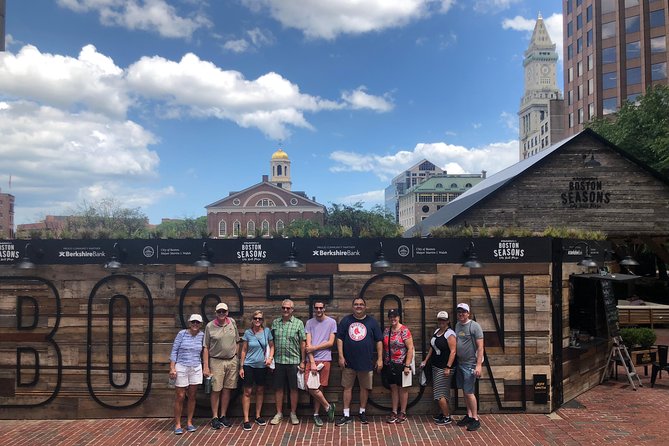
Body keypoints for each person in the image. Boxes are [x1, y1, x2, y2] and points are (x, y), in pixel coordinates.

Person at [335, 297, 383, 426]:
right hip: (348, 362)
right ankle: (346, 414)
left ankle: (362, 412)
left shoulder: (372, 322)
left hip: (366, 362)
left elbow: (379, 340)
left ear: (365, 307)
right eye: (356, 304)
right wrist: (340, 356)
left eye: (361, 304)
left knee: (365, 388)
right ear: (352, 307)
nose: (358, 306)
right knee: (347, 388)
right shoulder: (346, 321)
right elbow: (339, 339)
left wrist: (379, 358)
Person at [203, 302, 240, 430]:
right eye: (219, 312)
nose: (221, 314)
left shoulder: (232, 323)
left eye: (223, 311)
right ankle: (214, 417)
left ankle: (223, 415)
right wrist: (206, 366)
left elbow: (237, 341)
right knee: (216, 390)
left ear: (227, 312)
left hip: (231, 360)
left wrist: (236, 355)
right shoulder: (210, 326)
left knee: (227, 389)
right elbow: (206, 347)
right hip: (216, 361)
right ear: (216, 313)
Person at [270, 299, 306, 425]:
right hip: (279, 361)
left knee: (293, 388)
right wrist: (270, 359)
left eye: (288, 308)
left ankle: (293, 413)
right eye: (283, 308)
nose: (285, 310)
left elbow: (303, 343)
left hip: (293, 361)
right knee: (278, 388)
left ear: (292, 310)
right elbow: (271, 342)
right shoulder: (275, 323)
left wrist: (303, 361)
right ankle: (279, 413)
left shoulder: (298, 323)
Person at [169, 313, 205, 435]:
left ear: (200, 324)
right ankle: (178, 424)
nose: (195, 324)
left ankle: (189, 422)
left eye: (197, 322)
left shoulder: (202, 335)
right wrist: (172, 367)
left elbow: (205, 351)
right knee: (180, 396)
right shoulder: (182, 334)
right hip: (182, 366)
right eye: (193, 322)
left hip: (195, 367)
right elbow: (174, 350)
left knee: (192, 395)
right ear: (189, 323)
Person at [239, 310, 274, 431]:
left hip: (262, 366)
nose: (257, 320)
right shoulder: (248, 333)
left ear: (263, 320)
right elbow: (243, 350)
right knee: (247, 391)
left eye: (260, 318)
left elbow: (272, 346)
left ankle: (258, 415)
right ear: (252, 320)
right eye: (255, 318)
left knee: (260, 390)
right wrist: (241, 366)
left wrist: (270, 358)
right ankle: (246, 419)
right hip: (249, 365)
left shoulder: (267, 332)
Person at [420, 310, 457, 425]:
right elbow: (432, 347)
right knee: (442, 392)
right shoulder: (437, 331)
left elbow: (453, 351)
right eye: (440, 319)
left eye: (444, 320)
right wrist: (426, 360)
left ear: (448, 321)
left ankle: (447, 417)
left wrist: (448, 367)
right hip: (436, 366)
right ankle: (443, 413)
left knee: (439, 393)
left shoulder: (449, 334)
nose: (441, 322)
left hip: (444, 368)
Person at [305, 300, 337, 427]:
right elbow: (308, 344)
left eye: (321, 308)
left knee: (319, 388)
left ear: (324, 308)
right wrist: (312, 362)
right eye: (316, 308)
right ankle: (328, 407)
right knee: (310, 386)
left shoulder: (332, 322)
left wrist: (314, 348)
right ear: (314, 309)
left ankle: (316, 415)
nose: (318, 310)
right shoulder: (309, 323)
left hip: (325, 359)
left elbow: (330, 343)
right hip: (312, 360)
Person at [454, 303, 484, 432]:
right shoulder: (457, 325)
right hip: (461, 363)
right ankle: (469, 415)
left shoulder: (474, 326)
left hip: (471, 364)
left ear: (468, 313)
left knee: (469, 392)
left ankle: (475, 419)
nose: (461, 314)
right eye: (459, 312)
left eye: (464, 312)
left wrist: (478, 365)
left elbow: (480, 347)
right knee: (464, 391)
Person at [382, 308, 414, 424]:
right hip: (390, 364)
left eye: (395, 316)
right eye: (390, 317)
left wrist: (407, 365)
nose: (393, 319)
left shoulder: (404, 331)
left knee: (403, 388)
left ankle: (403, 412)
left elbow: (410, 348)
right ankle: (394, 411)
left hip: (402, 363)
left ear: (399, 317)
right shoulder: (387, 331)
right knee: (393, 388)